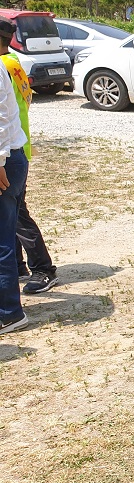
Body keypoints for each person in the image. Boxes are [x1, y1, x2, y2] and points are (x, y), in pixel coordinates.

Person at [1, 48, 58, 293]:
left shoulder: (4, 66)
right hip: (17, 145)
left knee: (18, 215)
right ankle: (18, 265)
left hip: (9, 151)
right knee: (12, 215)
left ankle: (43, 268)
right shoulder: (13, 63)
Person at [0, 19, 29, 333]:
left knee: (3, 240)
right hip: (15, 154)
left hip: (7, 160)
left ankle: (9, 313)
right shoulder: (10, 63)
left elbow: (2, 118)